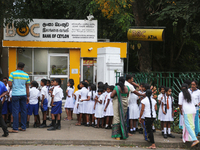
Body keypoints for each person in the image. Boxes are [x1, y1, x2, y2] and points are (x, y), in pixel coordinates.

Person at [8, 62, 30, 133]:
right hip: (23, 94)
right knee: (24, 111)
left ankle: (15, 128)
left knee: (15, 111)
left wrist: (13, 86)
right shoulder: (26, 75)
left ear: (17, 66)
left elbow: (10, 84)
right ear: (23, 68)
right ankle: (23, 127)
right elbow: (27, 86)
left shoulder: (12, 73)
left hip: (15, 94)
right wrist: (28, 96)